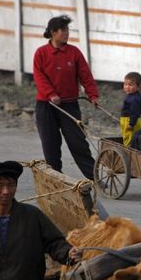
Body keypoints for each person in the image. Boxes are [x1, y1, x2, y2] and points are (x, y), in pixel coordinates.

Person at [33, 15, 99, 180]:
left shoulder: (74, 52)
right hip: (47, 106)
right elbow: (39, 77)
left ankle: (94, 178)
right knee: (51, 145)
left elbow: (86, 75)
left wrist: (93, 95)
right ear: (53, 33)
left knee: (78, 143)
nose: (66, 33)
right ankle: (56, 179)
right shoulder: (41, 53)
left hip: (69, 105)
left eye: (67, 30)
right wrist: (51, 94)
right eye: (63, 30)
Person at [120, 71, 141, 147]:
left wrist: (131, 124)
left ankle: (129, 153)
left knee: (128, 140)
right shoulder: (132, 96)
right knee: (135, 138)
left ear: (138, 86)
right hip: (131, 120)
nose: (127, 87)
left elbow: (135, 112)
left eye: (130, 85)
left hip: (130, 121)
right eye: (125, 84)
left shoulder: (134, 99)